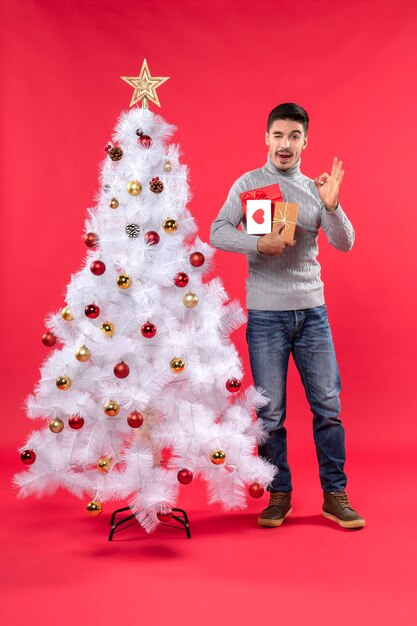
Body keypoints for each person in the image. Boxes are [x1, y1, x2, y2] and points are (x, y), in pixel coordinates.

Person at [210, 103, 365, 529]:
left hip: (312, 312)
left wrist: (332, 206)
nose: (285, 144)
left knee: (328, 407)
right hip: (265, 316)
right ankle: (280, 495)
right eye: (278, 135)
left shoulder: (317, 189)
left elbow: (346, 243)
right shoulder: (248, 183)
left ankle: (335, 495)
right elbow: (217, 231)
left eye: (294, 136)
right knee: (272, 413)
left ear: (304, 142)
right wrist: (257, 245)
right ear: (266, 138)